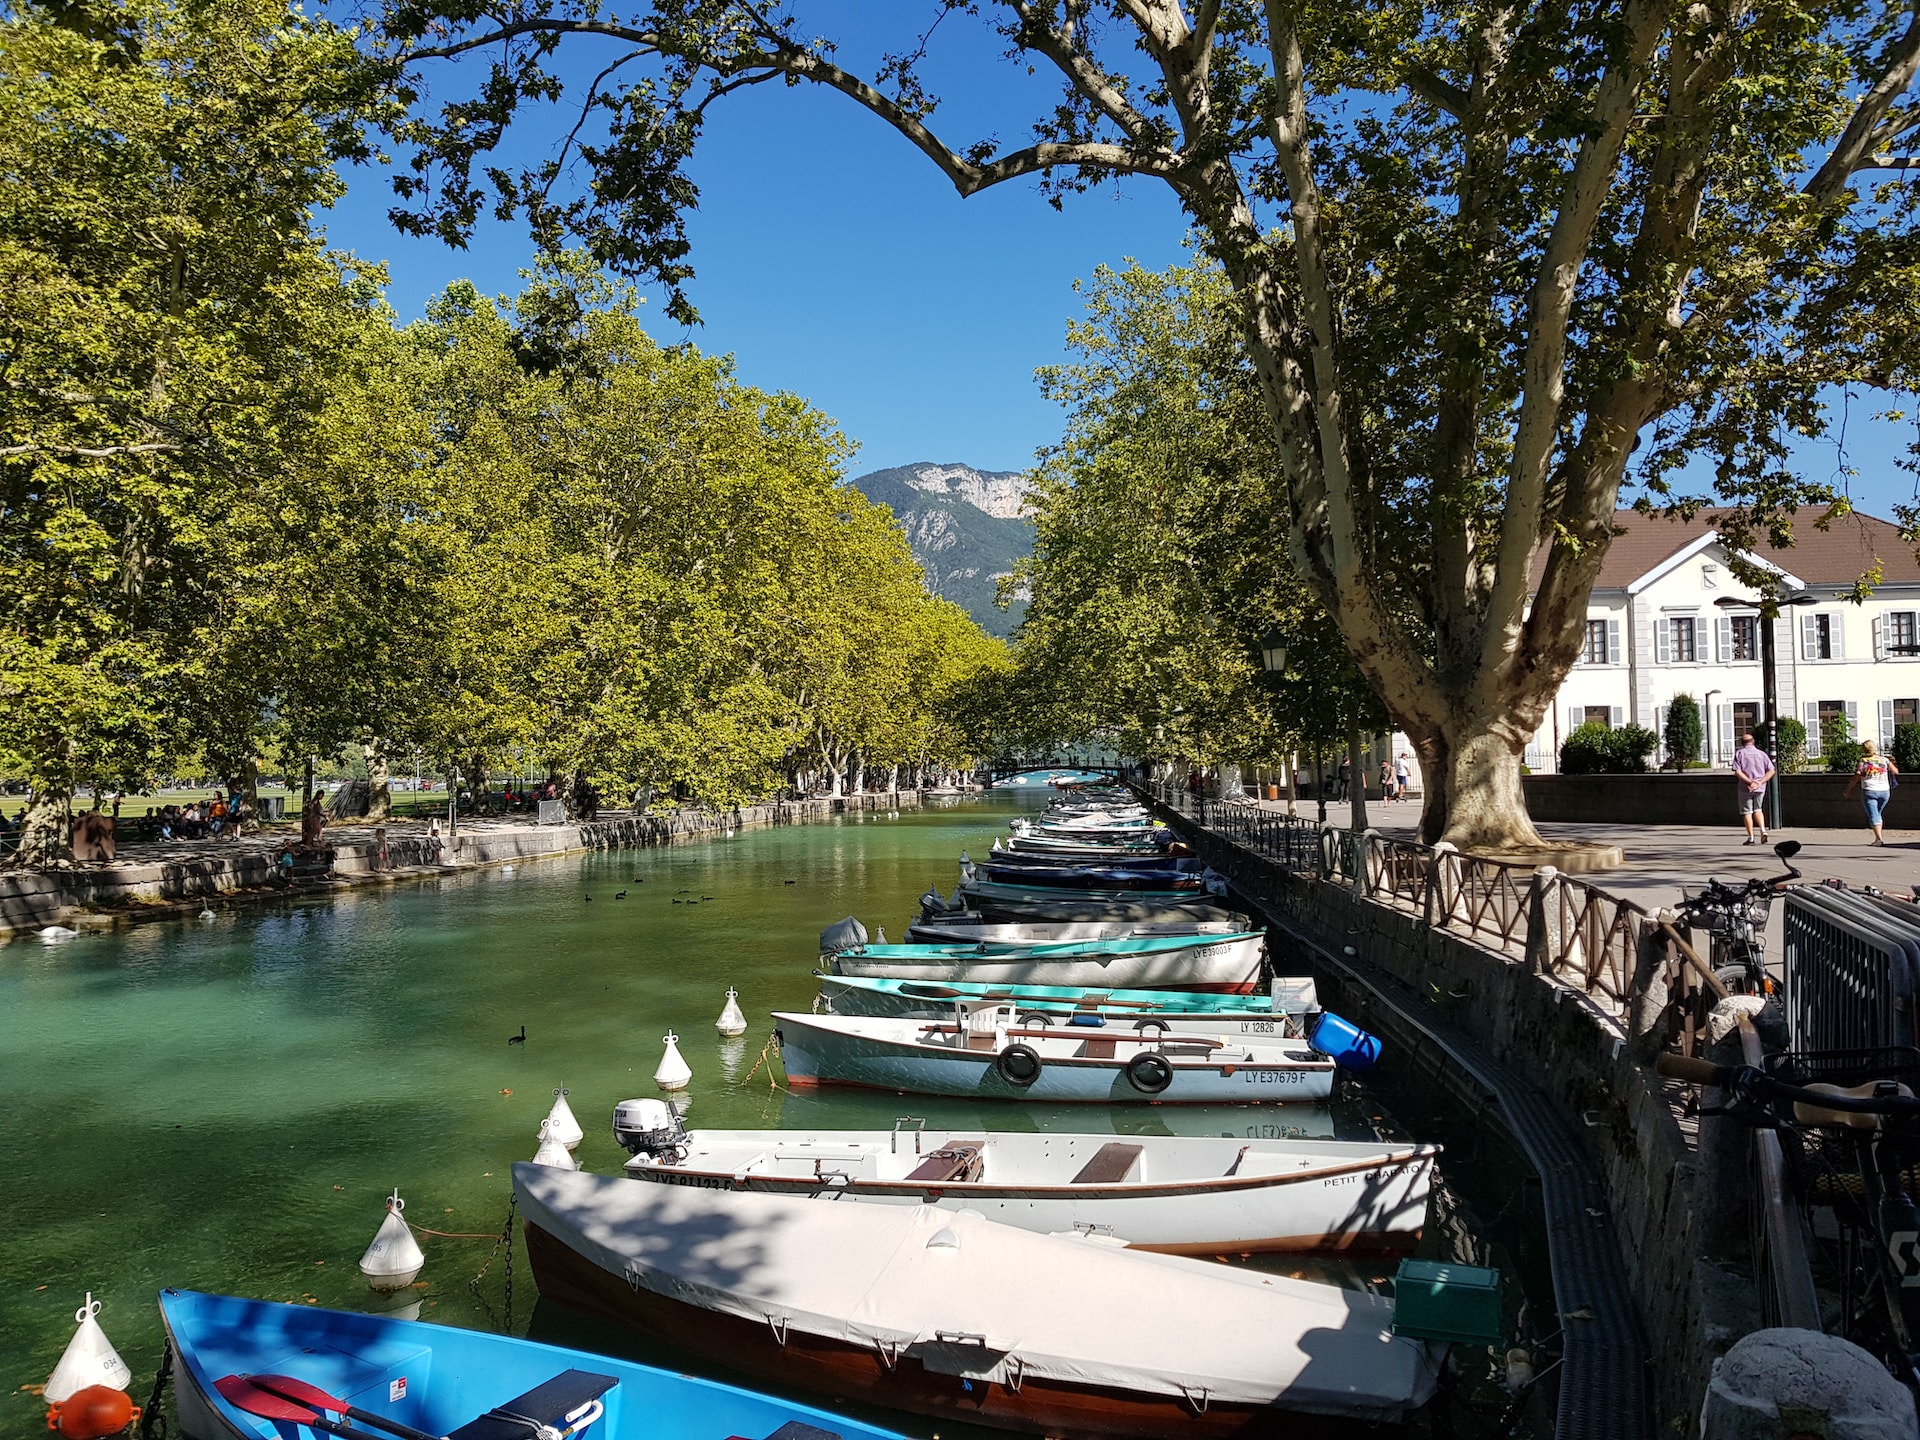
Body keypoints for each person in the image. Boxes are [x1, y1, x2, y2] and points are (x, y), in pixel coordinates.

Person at [1844, 737, 1899, 847]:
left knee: (1874, 815)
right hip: (1885, 791)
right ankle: (1877, 837)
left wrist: (1848, 790)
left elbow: (1857, 776)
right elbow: (1896, 772)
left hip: (1869, 790)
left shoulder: (1863, 761)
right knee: (1877, 814)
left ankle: (1879, 839)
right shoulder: (1884, 759)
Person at [1731, 731, 1776, 844]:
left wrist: (1750, 782)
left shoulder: (1739, 753)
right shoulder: (1762, 754)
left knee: (1747, 812)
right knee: (1758, 809)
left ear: (1742, 743)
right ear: (1753, 742)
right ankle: (1763, 830)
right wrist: (1759, 783)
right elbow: (1771, 770)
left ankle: (1751, 837)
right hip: (1760, 787)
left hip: (1745, 787)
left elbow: (1738, 772)